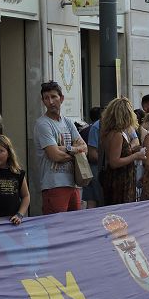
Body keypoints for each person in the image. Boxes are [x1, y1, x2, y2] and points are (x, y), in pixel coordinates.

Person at [35, 80, 88, 214]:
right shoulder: (43, 124)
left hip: (74, 183)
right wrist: (75, 151)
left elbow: (84, 148)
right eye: (46, 98)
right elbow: (54, 155)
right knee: (56, 228)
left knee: (74, 227)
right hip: (54, 185)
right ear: (43, 101)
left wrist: (64, 148)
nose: (50, 101)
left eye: (54, 97)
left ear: (62, 98)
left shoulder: (67, 121)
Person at [99, 97, 145, 206]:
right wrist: (136, 155)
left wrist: (132, 150)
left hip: (118, 178)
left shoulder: (111, 132)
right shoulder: (117, 134)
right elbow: (114, 162)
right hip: (120, 180)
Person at [82, 106, 104, 208]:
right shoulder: (97, 128)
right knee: (97, 200)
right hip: (95, 170)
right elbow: (92, 155)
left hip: (88, 170)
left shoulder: (84, 130)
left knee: (91, 200)